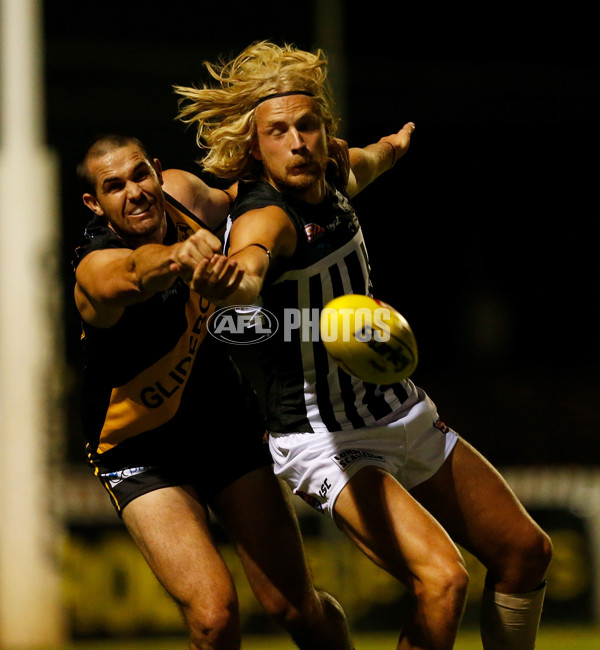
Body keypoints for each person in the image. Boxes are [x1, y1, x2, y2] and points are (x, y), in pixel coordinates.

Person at [173, 41, 553, 650]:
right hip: (327, 438)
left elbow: (368, 162)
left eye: (307, 125)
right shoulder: (264, 218)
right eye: (278, 131)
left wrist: (393, 149)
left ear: (324, 131)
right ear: (253, 146)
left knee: (525, 552)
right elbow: (249, 262)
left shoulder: (334, 175)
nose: (297, 141)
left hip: (399, 411)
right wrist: (234, 279)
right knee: (443, 580)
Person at [72, 133, 354, 650]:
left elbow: (266, 198)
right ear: (95, 204)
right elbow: (133, 274)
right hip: (139, 447)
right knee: (213, 616)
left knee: (296, 606)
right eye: (114, 187)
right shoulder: (95, 268)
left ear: (157, 171)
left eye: (139, 174)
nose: (134, 192)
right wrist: (178, 255)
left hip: (224, 424)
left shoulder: (186, 193)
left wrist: (344, 160)